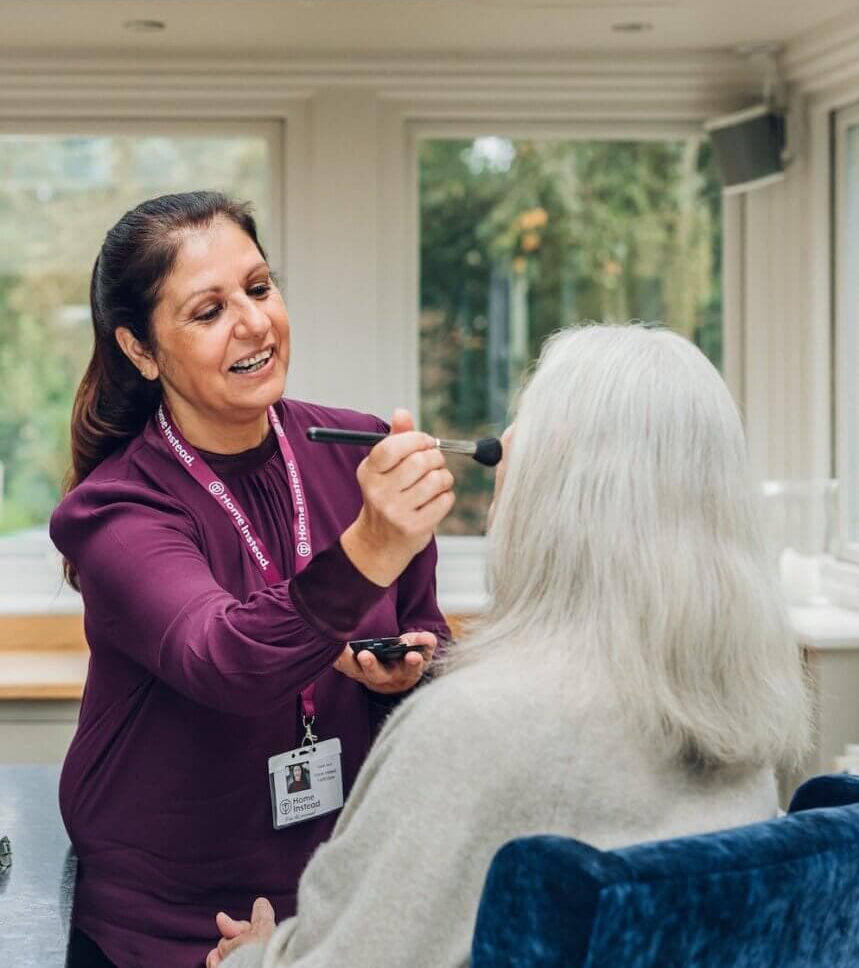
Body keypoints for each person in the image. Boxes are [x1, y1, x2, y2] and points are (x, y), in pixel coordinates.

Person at [206, 323, 813, 968]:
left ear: (558, 490)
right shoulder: (743, 723)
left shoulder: (472, 730)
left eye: (524, 422)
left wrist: (256, 957)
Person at [50, 192, 454, 968]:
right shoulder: (116, 509)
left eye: (260, 288)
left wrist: (407, 667)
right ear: (139, 350)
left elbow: (425, 624)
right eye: (207, 311)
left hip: (332, 908)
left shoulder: (359, 447)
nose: (254, 324)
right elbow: (223, 659)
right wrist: (371, 543)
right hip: (169, 927)